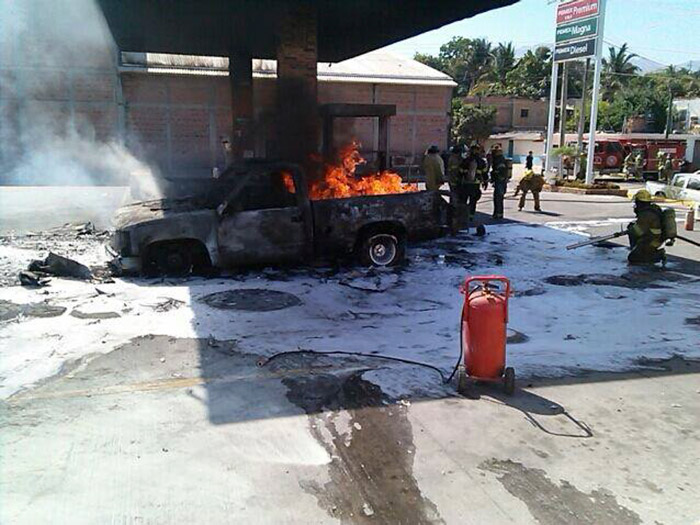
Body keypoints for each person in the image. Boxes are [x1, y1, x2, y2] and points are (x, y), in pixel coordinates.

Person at [627, 189, 666, 265]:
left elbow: (637, 232)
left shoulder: (646, 214)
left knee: (632, 258)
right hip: (656, 239)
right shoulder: (653, 210)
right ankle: (653, 253)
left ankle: (657, 255)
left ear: (639, 202)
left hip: (651, 241)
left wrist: (630, 228)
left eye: (636, 201)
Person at [490, 145, 510, 219]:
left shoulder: (499, 160)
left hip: (500, 181)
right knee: (498, 198)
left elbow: (500, 171)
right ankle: (498, 214)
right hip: (500, 181)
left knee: (498, 198)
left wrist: (494, 176)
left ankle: (497, 214)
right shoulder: (500, 159)